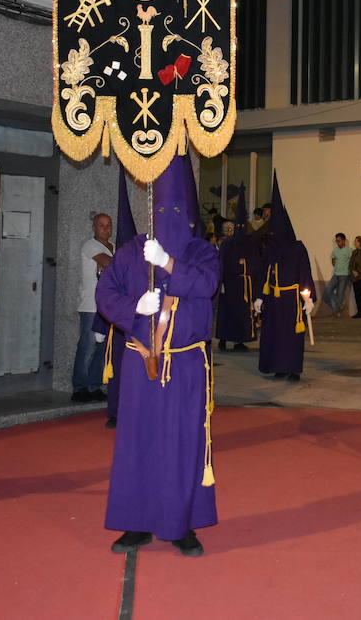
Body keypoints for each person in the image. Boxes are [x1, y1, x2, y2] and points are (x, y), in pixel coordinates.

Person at [97, 154, 219, 557]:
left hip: (184, 365)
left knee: (183, 443)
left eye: (176, 210)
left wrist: (167, 263)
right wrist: (136, 308)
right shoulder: (132, 251)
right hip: (140, 363)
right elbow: (105, 295)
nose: (168, 216)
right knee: (139, 443)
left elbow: (205, 285)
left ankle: (181, 524)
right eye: (161, 209)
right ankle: (135, 522)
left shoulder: (201, 250)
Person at [255, 175, 315, 380]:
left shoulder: (297, 248)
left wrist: (308, 298)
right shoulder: (270, 249)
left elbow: (305, 272)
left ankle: (293, 369)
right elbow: (264, 272)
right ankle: (279, 366)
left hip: (291, 300)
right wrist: (259, 297)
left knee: (292, 335)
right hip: (273, 300)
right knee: (275, 335)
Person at [97, 169, 139, 426]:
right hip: (117, 331)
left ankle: (133, 412)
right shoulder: (113, 267)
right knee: (116, 374)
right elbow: (106, 297)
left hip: (136, 329)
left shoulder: (141, 269)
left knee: (133, 375)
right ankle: (115, 412)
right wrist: (99, 327)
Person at [72, 213, 115, 403]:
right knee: (87, 347)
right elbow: (108, 263)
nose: (105, 229)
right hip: (90, 305)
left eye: (108, 225)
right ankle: (79, 387)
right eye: (101, 225)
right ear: (94, 228)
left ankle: (94, 385)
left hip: (107, 304)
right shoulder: (90, 245)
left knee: (102, 348)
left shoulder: (114, 247)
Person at [216, 188, 259, 351]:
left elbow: (256, 261)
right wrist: (222, 282)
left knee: (242, 313)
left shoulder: (249, 243)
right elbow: (221, 262)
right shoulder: (228, 244)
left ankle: (240, 341)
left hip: (245, 284)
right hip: (230, 282)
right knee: (228, 312)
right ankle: (223, 338)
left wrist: (251, 273)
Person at [323, 233, 354, 317]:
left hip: (344, 275)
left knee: (340, 293)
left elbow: (353, 262)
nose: (337, 243)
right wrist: (335, 263)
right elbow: (333, 260)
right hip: (336, 274)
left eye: (339, 241)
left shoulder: (349, 250)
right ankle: (339, 306)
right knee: (327, 290)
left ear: (344, 241)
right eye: (336, 241)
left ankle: (336, 311)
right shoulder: (335, 250)